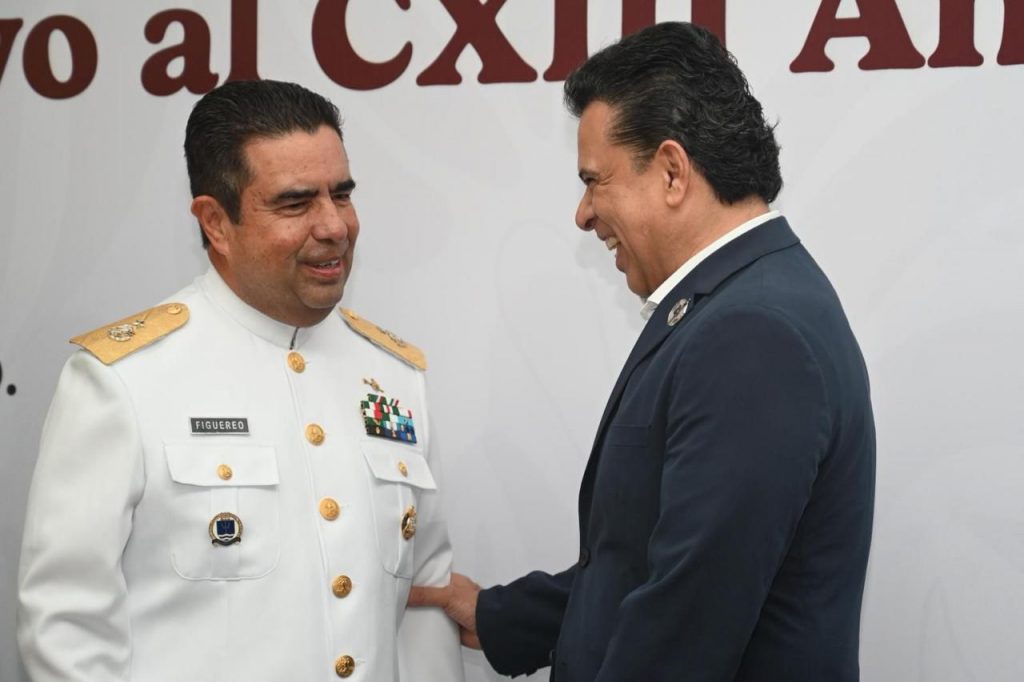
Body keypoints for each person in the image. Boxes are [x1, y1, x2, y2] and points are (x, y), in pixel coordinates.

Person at [409, 22, 876, 681]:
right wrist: (501, 617)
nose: (582, 213)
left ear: (672, 172)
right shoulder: (743, 300)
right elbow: (651, 560)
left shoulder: (751, 335)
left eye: (595, 181)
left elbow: (685, 623)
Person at [18, 80, 465, 682]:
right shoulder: (122, 380)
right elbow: (66, 629)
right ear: (215, 223)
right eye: (295, 203)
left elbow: (425, 602)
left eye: (341, 194)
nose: (334, 225)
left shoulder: (393, 376)